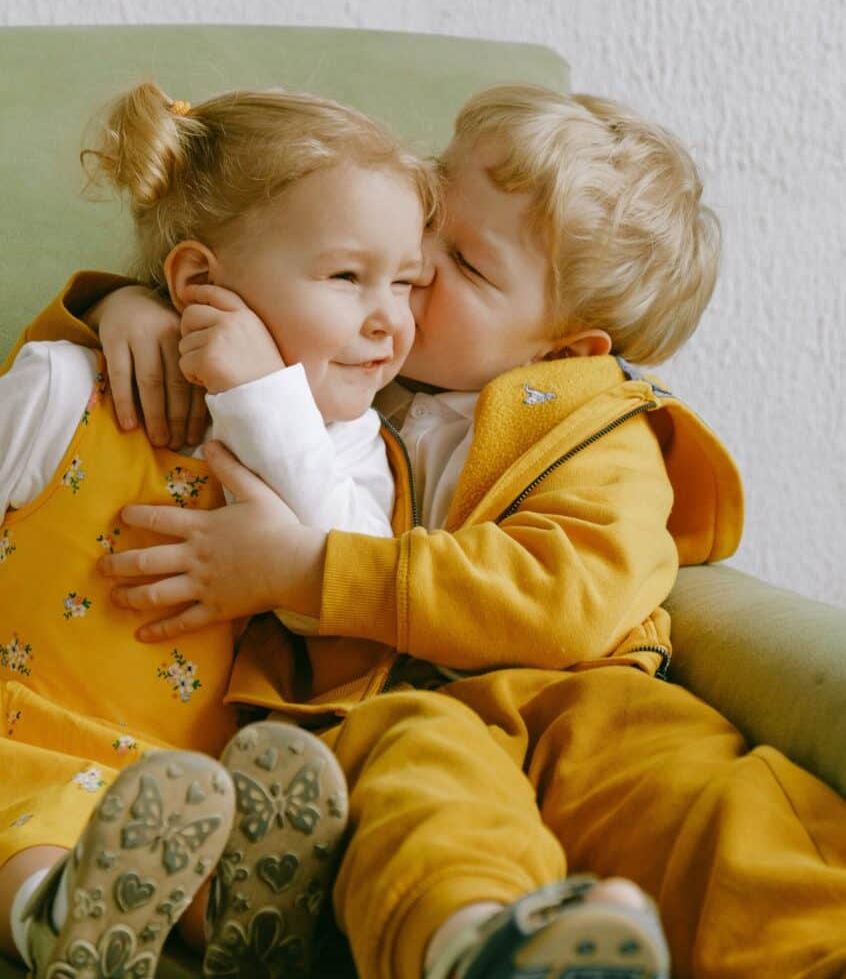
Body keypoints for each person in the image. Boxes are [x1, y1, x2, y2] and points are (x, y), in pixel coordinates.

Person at [14, 84, 846, 979]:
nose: (417, 266)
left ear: (568, 349)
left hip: (580, 708)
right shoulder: (358, 379)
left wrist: (308, 573)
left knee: (713, 807)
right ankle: (484, 948)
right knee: (428, 812)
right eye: (432, 219)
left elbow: (562, 602)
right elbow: (249, 286)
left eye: (467, 264)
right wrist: (132, 308)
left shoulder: (600, 426)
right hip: (407, 718)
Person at [0, 80, 441, 978]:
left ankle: (241, 922)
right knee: (30, 816)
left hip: (184, 788)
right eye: (348, 276)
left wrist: (261, 397)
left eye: (408, 282)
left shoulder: (355, 454)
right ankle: (59, 922)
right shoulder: (66, 387)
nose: (390, 320)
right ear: (200, 283)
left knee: (208, 830)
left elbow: (350, 587)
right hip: (17, 729)